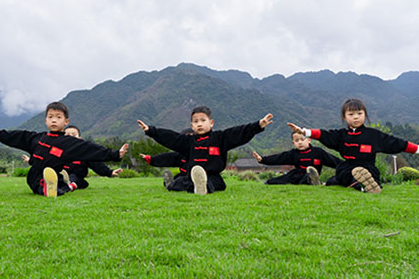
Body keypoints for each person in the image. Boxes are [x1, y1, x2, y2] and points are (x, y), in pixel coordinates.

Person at [0, 101, 129, 198]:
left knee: (60, 184)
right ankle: (49, 189)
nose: (54, 120)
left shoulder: (69, 143)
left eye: (58, 117)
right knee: (35, 183)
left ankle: (52, 188)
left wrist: (114, 154)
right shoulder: (37, 138)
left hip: (55, 174)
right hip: (35, 174)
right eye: (50, 117)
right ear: (45, 120)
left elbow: (90, 150)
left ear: (66, 122)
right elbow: (17, 137)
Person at [288, 98, 419, 193]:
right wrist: (305, 132)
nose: (356, 117)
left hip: (367, 167)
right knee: (339, 177)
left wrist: (417, 149)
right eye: (351, 114)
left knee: (370, 176)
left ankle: (365, 185)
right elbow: (323, 134)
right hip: (347, 167)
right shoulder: (341, 135)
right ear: (344, 117)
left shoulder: (374, 135)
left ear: (365, 115)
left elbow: (396, 143)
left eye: (359, 114)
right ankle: (321, 183)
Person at [137, 106, 273, 195]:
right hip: (190, 176)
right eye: (196, 122)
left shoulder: (220, 138)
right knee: (181, 182)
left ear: (211, 122)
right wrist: (151, 131)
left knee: (217, 183)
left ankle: (202, 187)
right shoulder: (188, 141)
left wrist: (258, 126)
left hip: (213, 175)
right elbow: (171, 138)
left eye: (203, 120)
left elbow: (238, 132)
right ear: (192, 125)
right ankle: (178, 185)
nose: (199, 124)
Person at [252, 132, 342, 185]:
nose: (300, 143)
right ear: (293, 142)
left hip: (309, 176)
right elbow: (279, 158)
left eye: (302, 140)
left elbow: (334, 161)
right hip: (295, 176)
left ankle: (313, 180)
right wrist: (262, 159)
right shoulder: (293, 154)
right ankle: (268, 182)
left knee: (307, 178)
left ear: (309, 140)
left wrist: (347, 166)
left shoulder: (318, 152)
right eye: (296, 141)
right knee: (273, 181)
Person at [57, 125, 122, 191]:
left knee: (79, 181)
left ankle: (68, 186)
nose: (70, 137)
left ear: (79, 138)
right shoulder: (57, 151)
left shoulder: (84, 153)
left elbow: (97, 165)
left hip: (76, 178)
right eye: (67, 135)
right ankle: (57, 185)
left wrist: (110, 172)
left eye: (73, 135)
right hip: (60, 177)